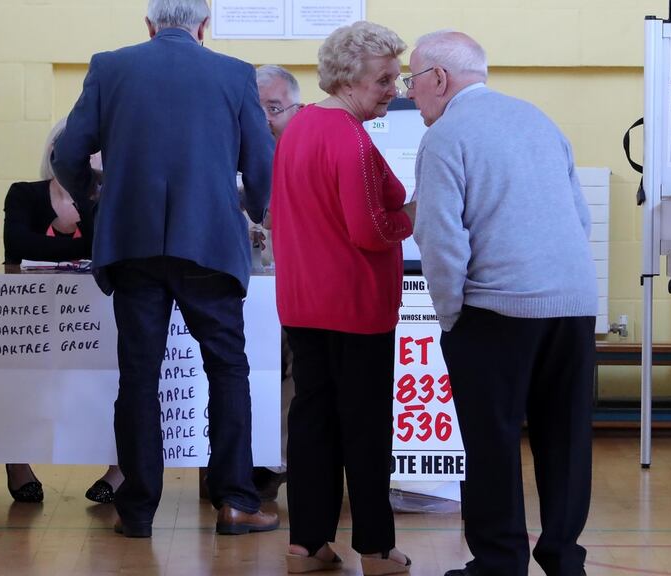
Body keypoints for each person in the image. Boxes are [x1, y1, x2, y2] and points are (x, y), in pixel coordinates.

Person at [51, 0, 278, 538]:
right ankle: (235, 501)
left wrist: (95, 205)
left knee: (139, 375)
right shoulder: (234, 73)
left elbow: (68, 152)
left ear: (149, 26)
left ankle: (137, 511)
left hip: (132, 244)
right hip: (211, 246)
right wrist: (255, 211)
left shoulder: (109, 66)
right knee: (227, 369)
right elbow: (262, 161)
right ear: (204, 27)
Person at [407, 31, 598, 576]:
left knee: (492, 441)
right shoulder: (538, 119)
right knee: (565, 440)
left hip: (498, 310)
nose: (410, 93)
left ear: (439, 79)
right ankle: (565, 560)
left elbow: (441, 239)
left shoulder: (446, 136)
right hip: (574, 301)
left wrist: (450, 316)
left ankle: (499, 562)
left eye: (412, 80)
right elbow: (579, 218)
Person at [271, 21, 415, 576]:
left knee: (312, 422)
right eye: (383, 79)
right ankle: (377, 549)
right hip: (355, 305)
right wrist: (409, 219)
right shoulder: (351, 137)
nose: (394, 90)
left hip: (304, 301)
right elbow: (369, 229)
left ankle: (306, 545)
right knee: (365, 427)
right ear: (349, 78)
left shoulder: (300, 128)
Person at [0, 118, 124, 505]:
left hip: (94, 317)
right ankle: (16, 464)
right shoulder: (24, 194)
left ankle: (119, 471)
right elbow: (18, 242)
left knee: (118, 375)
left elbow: (103, 244)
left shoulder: (106, 199)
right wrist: (81, 249)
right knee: (10, 373)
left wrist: (87, 199)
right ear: (53, 155)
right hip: (29, 316)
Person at [251, 64, 303, 501]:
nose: (264, 118)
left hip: (297, 288)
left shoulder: (306, 152)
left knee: (292, 372)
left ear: (295, 108)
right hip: (245, 290)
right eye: (256, 109)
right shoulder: (232, 155)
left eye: (274, 108)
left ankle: (277, 462)